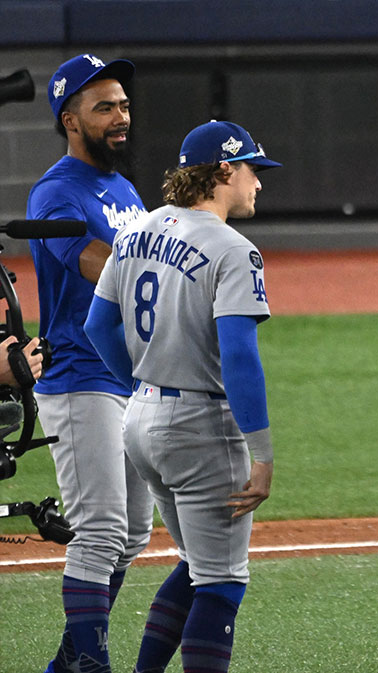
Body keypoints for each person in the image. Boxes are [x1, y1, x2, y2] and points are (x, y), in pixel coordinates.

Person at [84, 120, 279, 673]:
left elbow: (100, 325)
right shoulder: (234, 249)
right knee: (221, 584)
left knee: (196, 563)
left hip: (141, 419)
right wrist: (261, 454)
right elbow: (239, 356)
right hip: (200, 427)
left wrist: (141, 387)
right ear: (223, 171)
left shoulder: (140, 228)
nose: (258, 183)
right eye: (252, 170)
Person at [26, 53, 154, 673]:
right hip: (80, 379)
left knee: (132, 535)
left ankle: (70, 665)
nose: (121, 116)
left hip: (128, 378)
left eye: (123, 104)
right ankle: (93, 666)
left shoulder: (123, 188)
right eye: (104, 107)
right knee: (101, 532)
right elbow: (96, 262)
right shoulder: (55, 192)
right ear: (70, 120)